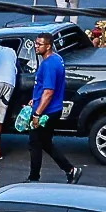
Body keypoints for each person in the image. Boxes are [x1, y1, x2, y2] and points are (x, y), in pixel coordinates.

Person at [26, 33, 80, 184]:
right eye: (36, 43)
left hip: (46, 112)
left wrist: (37, 114)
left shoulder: (48, 64)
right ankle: (71, 170)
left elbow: (49, 92)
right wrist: (35, 99)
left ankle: (34, 178)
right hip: (53, 109)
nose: (36, 47)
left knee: (34, 143)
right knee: (45, 143)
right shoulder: (57, 59)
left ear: (48, 46)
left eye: (39, 44)